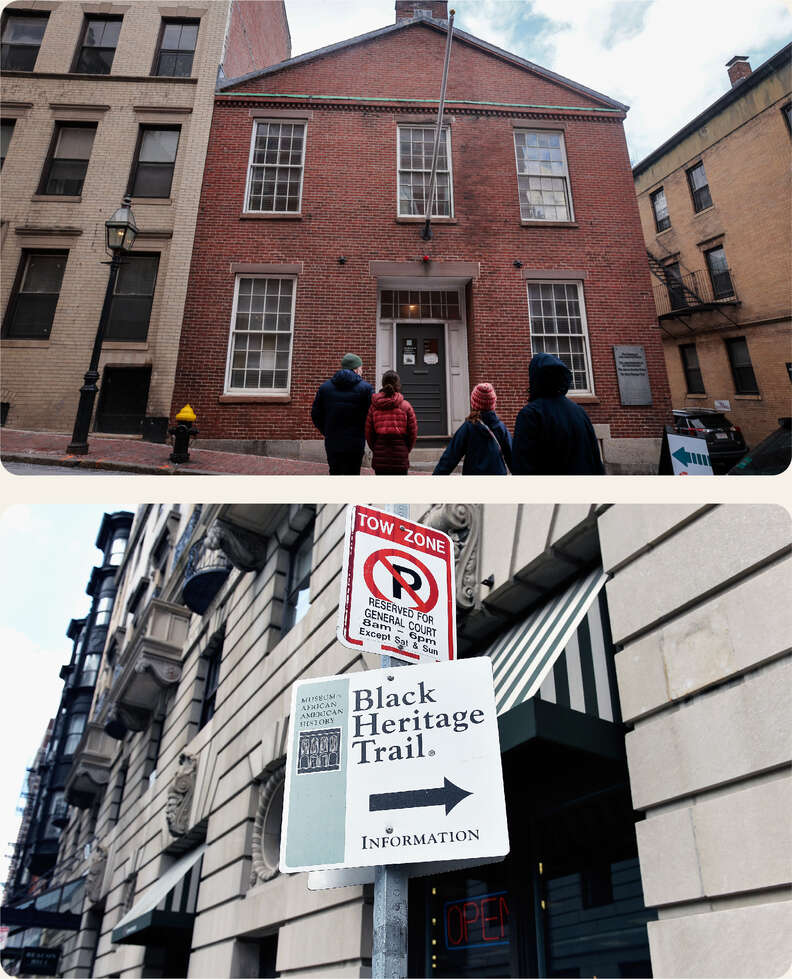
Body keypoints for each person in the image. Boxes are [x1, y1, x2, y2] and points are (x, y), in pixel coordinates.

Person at [511, 352, 605, 474]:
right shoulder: (580, 412)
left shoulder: (530, 415)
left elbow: (522, 467)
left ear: (535, 378)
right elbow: (596, 461)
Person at [311, 353, 373, 475]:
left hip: (333, 441)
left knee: (335, 472)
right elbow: (372, 415)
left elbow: (316, 414)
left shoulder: (325, 388)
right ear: (355, 369)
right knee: (353, 472)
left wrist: (327, 431)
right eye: (361, 368)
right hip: (356, 442)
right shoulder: (366, 388)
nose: (362, 371)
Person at [433, 382, 512, 475]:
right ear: (492, 403)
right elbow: (512, 457)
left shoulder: (468, 428)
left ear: (474, 403)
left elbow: (450, 457)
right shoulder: (501, 428)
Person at [365, 370, 418, 475]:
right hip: (400, 457)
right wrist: (405, 449)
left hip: (380, 456)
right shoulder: (406, 406)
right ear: (398, 385)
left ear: (383, 384)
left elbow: (369, 433)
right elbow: (413, 433)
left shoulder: (374, 407)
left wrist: (375, 448)